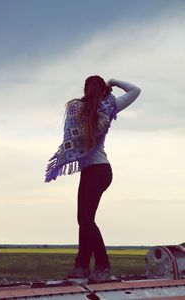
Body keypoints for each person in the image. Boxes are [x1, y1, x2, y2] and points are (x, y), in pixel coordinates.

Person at [45, 76, 141, 282]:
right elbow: (135, 90)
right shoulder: (100, 107)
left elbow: (137, 91)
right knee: (84, 220)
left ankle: (102, 266)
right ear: (103, 88)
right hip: (95, 171)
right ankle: (82, 265)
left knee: (85, 219)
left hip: (98, 170)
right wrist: (114, 81)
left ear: (86, 88)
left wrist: (110, 84)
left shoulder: (87, 107)